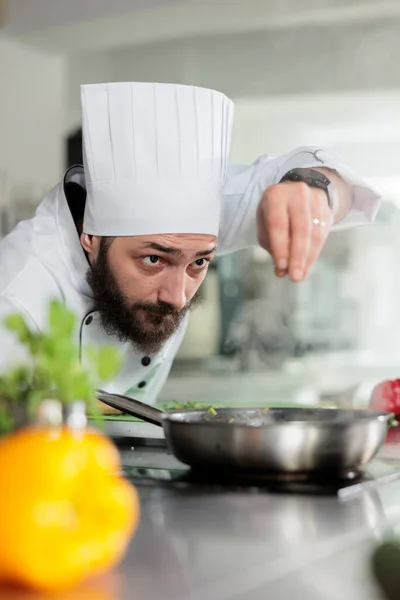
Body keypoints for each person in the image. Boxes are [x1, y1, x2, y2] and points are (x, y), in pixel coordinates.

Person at [0, 82, 380, 404]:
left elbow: (339, 183)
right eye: (152, 260)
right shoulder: (16, 294)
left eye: (199, 263)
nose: (177, 296)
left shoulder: (195, 218)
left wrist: (314, 191)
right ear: (93, 238)